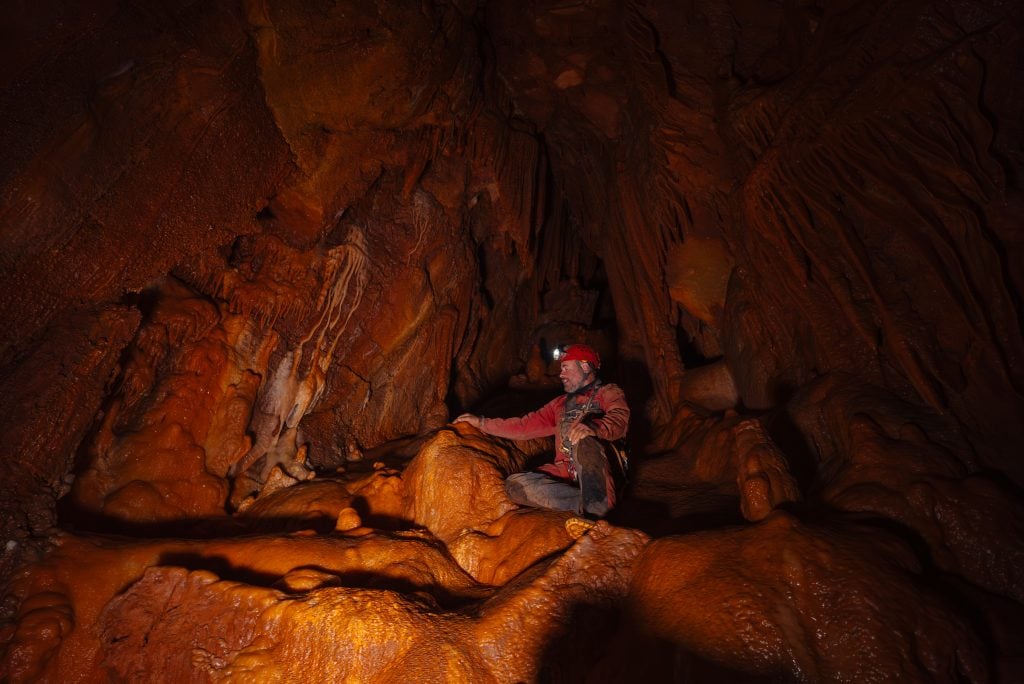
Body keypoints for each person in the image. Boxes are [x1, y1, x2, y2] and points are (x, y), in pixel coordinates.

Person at [455, 344, 629, 519]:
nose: (561, 374)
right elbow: (522, 426)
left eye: (566, 368)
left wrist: (594, 428)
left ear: (584, 366)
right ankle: (585, 506)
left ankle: (598, 511)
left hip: (602, 468)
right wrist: (481, 423)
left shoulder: (607, 392)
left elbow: (620, 417)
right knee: (514, 485)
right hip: (566, 471)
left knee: (584, 442)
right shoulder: (559, 405)